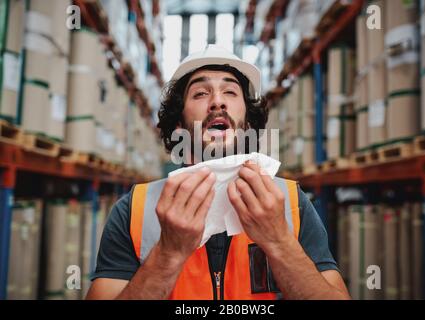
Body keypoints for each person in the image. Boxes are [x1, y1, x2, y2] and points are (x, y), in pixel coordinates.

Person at [86, 45, 350, 300]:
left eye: (231, 92)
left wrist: (279, 241)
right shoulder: (135, 209)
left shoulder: (291, 203)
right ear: (179, 124)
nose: (217, 101)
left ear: (247, 123)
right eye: (200, 93)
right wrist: (169, 252)